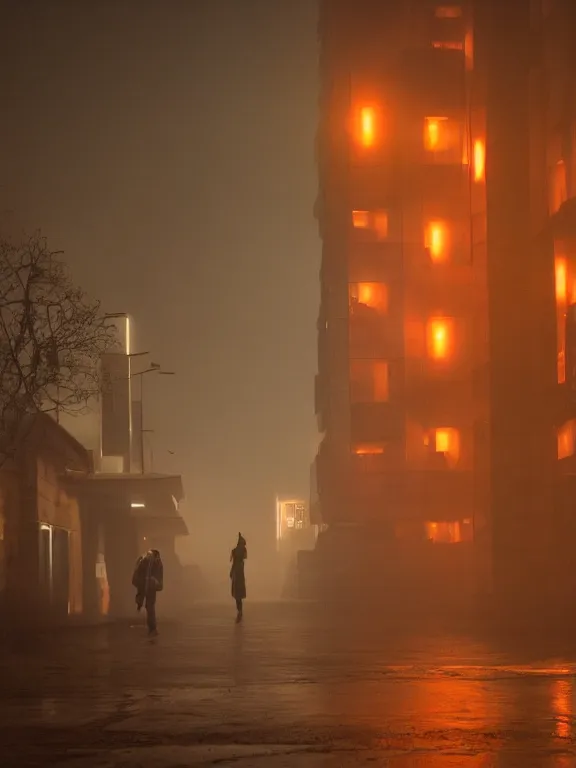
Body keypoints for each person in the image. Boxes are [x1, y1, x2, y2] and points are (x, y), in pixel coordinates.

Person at [132, 549, 164, 636]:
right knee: (149, 605)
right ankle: (152, 628)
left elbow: (137, 573)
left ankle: (151, 627)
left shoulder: (144, 559)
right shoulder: (150, 561)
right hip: (148, 584)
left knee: (148, 604)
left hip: (147, 584)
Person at [230, 533, 247, 622]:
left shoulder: (234, 551)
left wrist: (231, 572)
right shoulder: (242, 550)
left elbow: (233, 562)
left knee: (237, 594)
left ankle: (239, 610)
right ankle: (240, 610)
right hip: (238, 573)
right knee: (238, 593)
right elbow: (244, 557)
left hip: (237, 573)